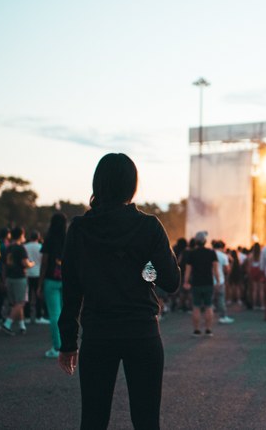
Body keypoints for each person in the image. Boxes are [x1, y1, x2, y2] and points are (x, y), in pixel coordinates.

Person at [57, 153, 180, 430]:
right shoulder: (149, 226)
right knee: (146, 420)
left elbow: (71, 290)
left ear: (97, 184)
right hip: (142, 330)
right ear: (132, 185)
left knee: (93, 419)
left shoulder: (79, 229)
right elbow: (171, 281)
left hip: (98, 331)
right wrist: (146, 266)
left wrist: (68, 343)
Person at [38, 213, 67, 358]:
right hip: (66, 280)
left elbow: (44, 264)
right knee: (65, 313)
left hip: (51, 279)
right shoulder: (68, 238)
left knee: (54, 314)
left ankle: (57, 347)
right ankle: (67, 344)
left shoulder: (49, 240)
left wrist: (39, 284)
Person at [183, 231, 219, 336]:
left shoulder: (192, 253)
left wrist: (186, 282)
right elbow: (215, 270)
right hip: (208, 282)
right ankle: (208, 329)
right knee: (208, 306)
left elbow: (188, 270)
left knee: (196, 306)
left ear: (196, 241)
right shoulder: (212, 253)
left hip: (196, 283)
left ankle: (197, 330)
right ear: (205, 241)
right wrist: (218, 281)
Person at [2, 227, 34, 335]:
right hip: (19, 277)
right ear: (21, 235)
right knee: (21, 302)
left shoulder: (8, 248)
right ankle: (7, 323)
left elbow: (4, 265)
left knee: (16, 303)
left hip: (9, 277)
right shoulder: (20, 248)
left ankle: (22, 325)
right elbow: (25, 263)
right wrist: (32, 263)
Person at [24, 230, 48, 324]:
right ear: (38, 238)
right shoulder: (41, 247)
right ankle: (39, 316)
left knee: (28, 295)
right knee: (38, 296)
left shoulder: (25, 247)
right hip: (38, 273)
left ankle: (27, 316)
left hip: (27, 273)